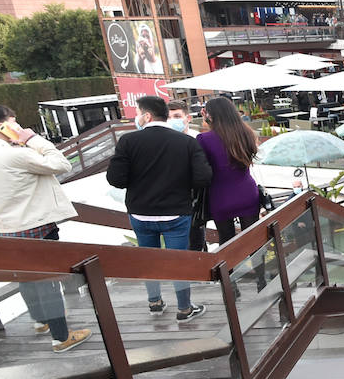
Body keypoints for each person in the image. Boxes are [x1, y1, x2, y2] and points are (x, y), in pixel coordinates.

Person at [0, 104, 92, 353]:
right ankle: (61, 337)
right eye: (14, 122)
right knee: (48, 279)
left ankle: (40, 321)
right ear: (4, 125)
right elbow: (61, 164)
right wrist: (32, 138)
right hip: (34, 226)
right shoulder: (15, 154)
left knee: (24, 276)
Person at [105, 95, 212, 322]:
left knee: (148, 258)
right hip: (176, 211)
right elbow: (203, 177)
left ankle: (154, 301)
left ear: (147, 115)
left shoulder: (128, 141)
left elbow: (116, 179)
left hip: (141, 213)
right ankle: (184, 308)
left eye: (138, 113)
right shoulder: (186, 142)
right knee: (178, 260)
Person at [197, 96, 262, 245]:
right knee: (254, 241)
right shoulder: (247, 133)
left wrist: (207, 121)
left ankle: (230, 269)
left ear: (210, 115)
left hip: (220, 195)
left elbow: (204, 169)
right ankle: (259, 268)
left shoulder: (203, 139)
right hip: (247, 192)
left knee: (226, 241)